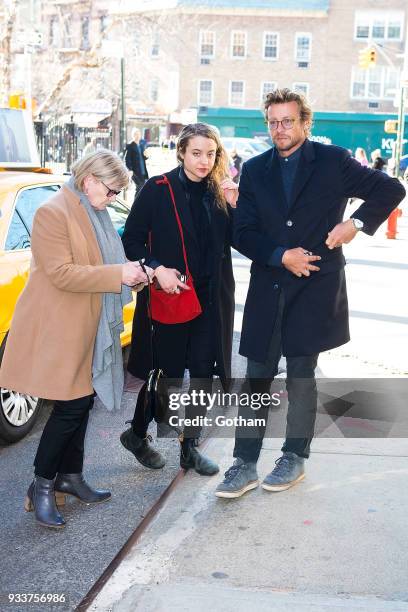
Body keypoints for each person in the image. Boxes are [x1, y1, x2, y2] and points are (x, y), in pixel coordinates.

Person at [215, 87, 405, 499]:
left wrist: (355, 224)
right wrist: (280, 255)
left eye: (288, 121)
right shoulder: (255, 168)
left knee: (302, 376)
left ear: (305, 123)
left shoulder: (333, 162)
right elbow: (242, 232)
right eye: (273, 122)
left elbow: (390, 189)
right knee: (256, 377)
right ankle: (244, 463)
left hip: (315, 288)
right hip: (269, 284)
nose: (280, 129)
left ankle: (294, 457)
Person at [0, 150, 152, 529]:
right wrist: (118, 273)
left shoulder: (94, 211)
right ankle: (42, 486)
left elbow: (102, 262)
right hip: (58, 326)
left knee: (82, 404)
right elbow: (62, 273)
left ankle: (71, 476)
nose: (115, 198)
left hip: (88, 324)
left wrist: (133, 272)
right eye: (113, 190)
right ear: (90, 182)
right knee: (70, 407)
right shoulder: (53, 212)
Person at [120, 122, 238, 476]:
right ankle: (137, 434)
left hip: (210, 301)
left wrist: (236, 208)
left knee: (203, 373)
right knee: (166, 376)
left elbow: (234, 241)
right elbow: (132, 241)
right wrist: (156, 268)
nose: (204, 161)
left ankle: (190, 449)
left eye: (211, 154)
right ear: (182, 152)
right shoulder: (158, 189)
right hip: (170, 298)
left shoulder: (219, 193)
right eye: (197, 153)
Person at [125, 128, 148, 193]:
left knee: (142, 188)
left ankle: (140, 202)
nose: (137, 136)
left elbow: (143, 158)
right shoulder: (130, 145)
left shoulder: (141, 145)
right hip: (135, 172)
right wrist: (130, 170)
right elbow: (127, 159)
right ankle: (136, 202)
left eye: (138, 134)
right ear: (133, 135)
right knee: (139, 187)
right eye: (135, 134)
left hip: (143, 170)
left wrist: (146, 156)